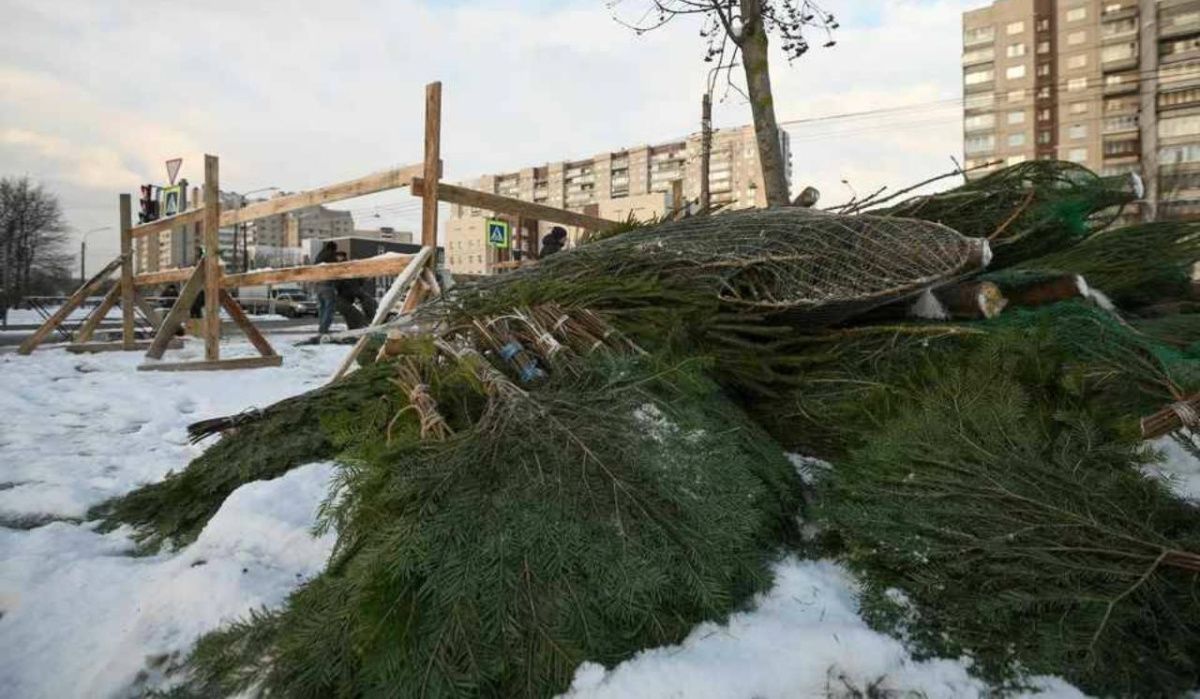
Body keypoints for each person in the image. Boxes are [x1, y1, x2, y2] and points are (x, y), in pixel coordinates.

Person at [332, 251, 378, 330]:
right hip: (341, 298)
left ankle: (368, 322)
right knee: (353, 313)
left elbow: (360, 281)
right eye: (338, 258)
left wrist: (366, 277)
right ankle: (362, 325)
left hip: (351, 295)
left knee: (369, 302)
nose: (339, 259)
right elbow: (335, 285)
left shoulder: (350, 269)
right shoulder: (336, 270)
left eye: (341, 257)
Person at [314, 242, 338, 335]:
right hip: (328, 285)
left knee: (322, 308)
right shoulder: (331, 256)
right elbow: (336, 270)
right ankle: (324, 329)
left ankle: (321, 328)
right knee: (329, 309)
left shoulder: (319, 256)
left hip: (318, 285)